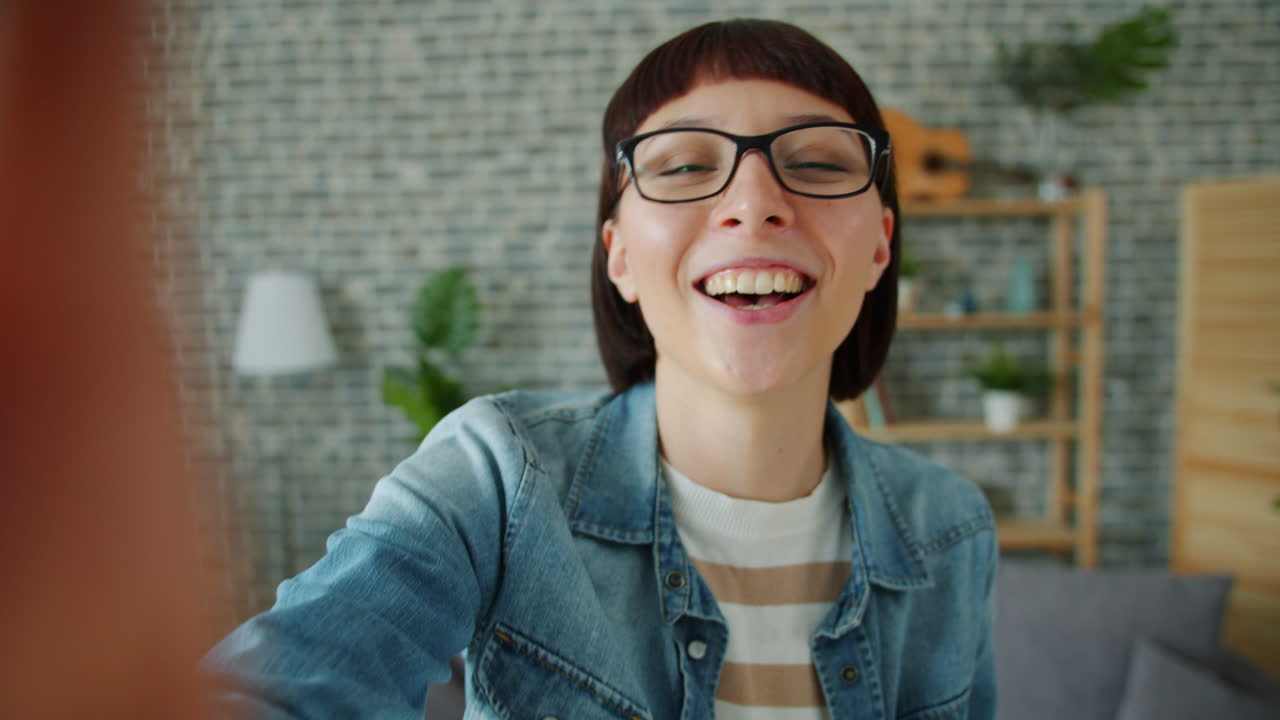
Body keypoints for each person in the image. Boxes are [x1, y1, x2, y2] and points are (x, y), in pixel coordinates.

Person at [204, 18, 997, 720]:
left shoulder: (951, 530)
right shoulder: (495, 477)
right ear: (618, 254)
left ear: (881, 245)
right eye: (685, 167)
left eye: (819, 164)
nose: (754, 202)